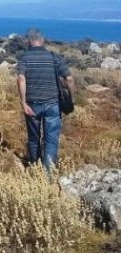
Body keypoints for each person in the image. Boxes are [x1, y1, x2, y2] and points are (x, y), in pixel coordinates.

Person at [16, 28, 75, 171]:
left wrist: (23, 103)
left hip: (32, 104)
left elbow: (20, 78)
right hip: (53, 104)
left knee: (34, 138)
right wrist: (72, 98)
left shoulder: (24, 58)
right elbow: (70, 79)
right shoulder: (53, 57)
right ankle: (48, 175)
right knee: (51, 140)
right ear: (42, 41)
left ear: (28, 42)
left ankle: (34, 168)